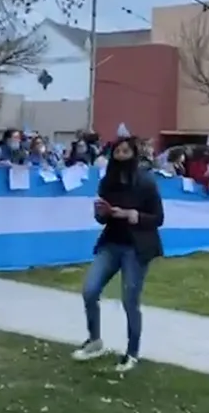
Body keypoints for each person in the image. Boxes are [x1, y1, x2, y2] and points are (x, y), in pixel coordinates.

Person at [71, 136, 164, 373]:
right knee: (90, 290)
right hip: (111, 242)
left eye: (126, 152)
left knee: (130, 301)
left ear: (134, 154)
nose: (121, 156)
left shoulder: (146, 181)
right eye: (117, 152)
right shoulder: (107, 182)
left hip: (137, 246)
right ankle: (95, 341)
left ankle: (132, 353)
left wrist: (135, 215)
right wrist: (102, 212)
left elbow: (158, 218)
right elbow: (101, 218)